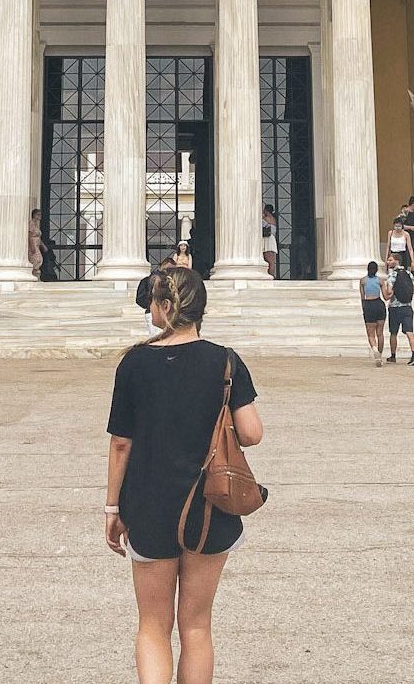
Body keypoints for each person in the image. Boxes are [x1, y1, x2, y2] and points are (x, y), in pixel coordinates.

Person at [105, 266, 263, 684]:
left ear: (167, 306)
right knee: (196, 627)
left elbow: (121, 444)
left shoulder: (134, 363)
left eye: (152, 302)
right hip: (210, 506)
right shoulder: (225, 361)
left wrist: (111, 509)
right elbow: (252, 433)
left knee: (153, 626)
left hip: (149, 506)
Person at [384, 254, 414, 365]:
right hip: (408, 306)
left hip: (395, 307)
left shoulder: (392, 275)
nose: (388, 262)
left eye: (390, 260)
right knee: (410, 332)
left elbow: (389, 291)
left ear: (397, 261)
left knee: (393, 333)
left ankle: (393, 356)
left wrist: (393, 292)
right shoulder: (409, 274)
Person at [136, 257, 178, 335]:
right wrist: (151, 304)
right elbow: (140, 299)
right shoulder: (147, 281)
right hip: (155, 311)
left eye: (172, 270)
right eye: (167, 269)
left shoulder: (174, 281)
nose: (169, 272)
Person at [359, 260, 386, 366]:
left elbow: (362, 297)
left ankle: (375, 350)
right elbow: (384, 295)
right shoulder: (380, 280)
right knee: (380, 333)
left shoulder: (363, 281)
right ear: (377, 270)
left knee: (371, 334)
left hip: (368, 305)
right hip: (379, 304)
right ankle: (380, 354)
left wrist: (364, 309)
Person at [261, 204, 279, 279]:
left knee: (269, 260)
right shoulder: (273, 219)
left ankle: (271, 276)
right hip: (271, 239)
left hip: (268, 239)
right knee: (271, 260)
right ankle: (271, 275)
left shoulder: (266, 218)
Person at [28, 209, 46, 279]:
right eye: (38, 214)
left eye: (40, 214)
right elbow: (30, 235)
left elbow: (38, 236)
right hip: (33, 244)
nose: (40, 216)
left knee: (39, 260)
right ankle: (33, 275)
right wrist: (32, 246)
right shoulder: (31, 223)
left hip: (37, 244)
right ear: (34, 215)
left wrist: (43, 245)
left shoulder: (36, 224)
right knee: (37, 259)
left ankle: (36, 275)